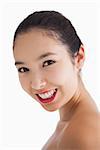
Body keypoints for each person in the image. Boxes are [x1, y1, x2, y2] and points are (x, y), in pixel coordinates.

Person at [13, 11, 100, 149]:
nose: (36, 84)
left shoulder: (84, 136)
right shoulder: (70, 124)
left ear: (79, 57)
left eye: (48, 62)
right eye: (23, 69)